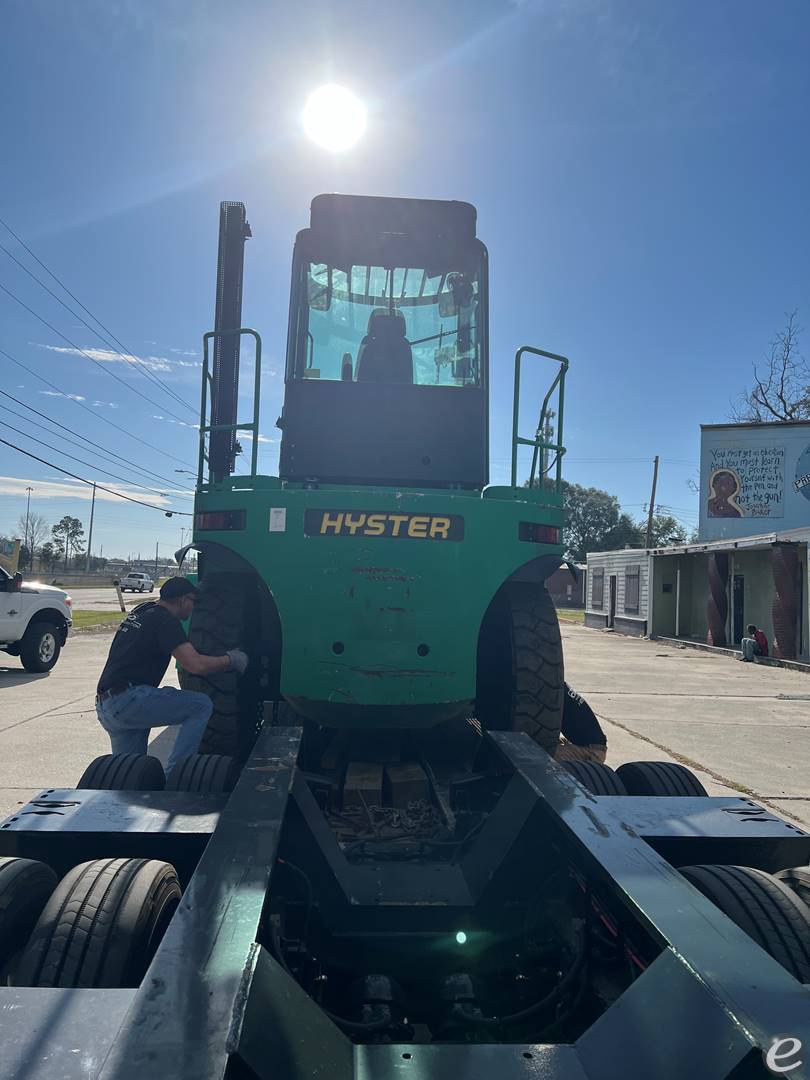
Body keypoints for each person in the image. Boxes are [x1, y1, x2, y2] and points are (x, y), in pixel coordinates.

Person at [95, 577, 248, 775]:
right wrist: (232, 659)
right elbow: (196, 665)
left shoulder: (142, 611)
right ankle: (178, 774)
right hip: (129, 700)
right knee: (200, 705)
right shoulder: (165, 621)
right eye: (193, 601)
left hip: (107, 706)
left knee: (130, 774)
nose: (193, 608)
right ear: (183, 600)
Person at [555, 682, 608, 763]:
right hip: (586, 745)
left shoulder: (554, 692)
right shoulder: (558, 687)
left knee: (541, 754)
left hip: (593, 752)